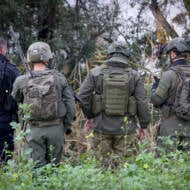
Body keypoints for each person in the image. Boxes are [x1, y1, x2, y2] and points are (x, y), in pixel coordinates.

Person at [78, 45, 150, 167]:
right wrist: (144, 125)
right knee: (126, 168)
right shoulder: (134, 75)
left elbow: (83, 97)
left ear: (109, 55)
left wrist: (90, 117)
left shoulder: (95, 73)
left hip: (101, 127)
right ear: (126, 57)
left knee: (100, 169)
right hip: (126, 130)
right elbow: (142, 102)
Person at [12, 42, 76, 168]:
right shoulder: (59, 78)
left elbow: (16, 101)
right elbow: (71, 106)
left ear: (29, 59)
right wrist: (66, 126)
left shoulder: (21, 81)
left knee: (37, 168)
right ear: (48, 59)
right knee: (54, 166)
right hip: (56, 128)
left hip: (33, 130)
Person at [151, 37, 190, 154]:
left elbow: (156, 100)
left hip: (171, 127)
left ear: (172, 54)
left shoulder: (169, 74)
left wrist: (154, 87)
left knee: (166, 163)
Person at [0, 37, 20, 164]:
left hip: (5, 120)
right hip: (5, 121)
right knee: (5, 158)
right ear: (3, 49)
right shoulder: (12, 70)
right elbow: (20, 95)